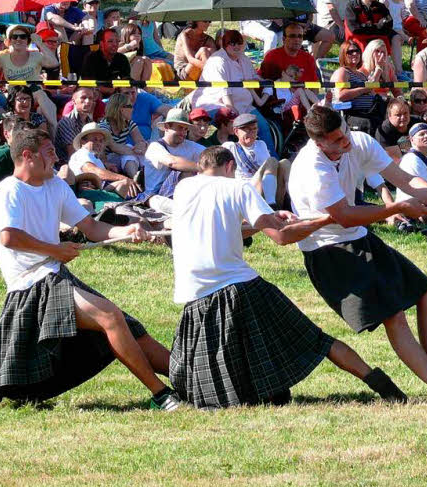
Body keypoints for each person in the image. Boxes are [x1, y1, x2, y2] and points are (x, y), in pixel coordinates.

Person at [168, 145, 405, 408]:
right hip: (239, 289)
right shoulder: (238, 188)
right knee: (316, 340)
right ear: (230, 167)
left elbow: (224, 226)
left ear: (202, 167)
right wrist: (325, 220)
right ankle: (382, 385)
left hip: (195, 293)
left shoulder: (183, 189)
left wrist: (268, 218)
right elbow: (282, 237)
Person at [288, 106, 427, 405]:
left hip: (359, 238)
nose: (346, 144)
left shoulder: (358, 141)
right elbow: (346, 216)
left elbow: (404, 180)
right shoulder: (311, 169)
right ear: (319, 142)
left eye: (345, 134)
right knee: (394, 315)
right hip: (329, 251)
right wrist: (398, 209)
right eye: (337, 141)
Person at [0, 128, 182, 409]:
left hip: (53, 276)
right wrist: (55, 250)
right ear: (27, 156)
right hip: (31, 286)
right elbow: (9, 237)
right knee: (109, 316)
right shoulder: (9, 189)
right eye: (49, 151)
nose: (56, 158)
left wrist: (126, 230)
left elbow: (91, 227)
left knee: (130, 328)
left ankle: (191, 382)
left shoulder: (55, 186)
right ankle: (161, 395)